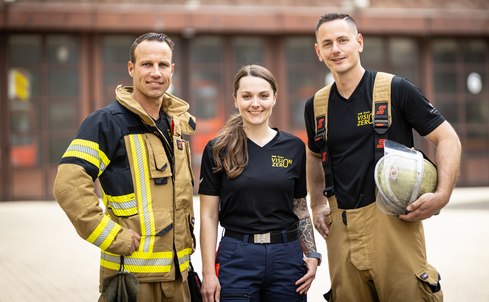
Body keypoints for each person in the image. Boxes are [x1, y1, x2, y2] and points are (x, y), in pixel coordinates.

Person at [304, 13, 462, 302]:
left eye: (343, 40)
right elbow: (313, 157)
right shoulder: (315, 106)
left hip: (393, 224)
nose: (335, 49)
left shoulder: (395, 89)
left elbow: (448, 138)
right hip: (341, 230)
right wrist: (316, 202)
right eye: (327, 44)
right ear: (318, 51)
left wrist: (443, 194)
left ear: (359, 42)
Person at [53, 32, 197, 302]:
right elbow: (69, 185)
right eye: (146, 64)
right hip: (132, 281)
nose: (156, 72)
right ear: (131, 68)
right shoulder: (106, 122)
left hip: (179, 278)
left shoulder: (174, 125)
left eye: (163, 65)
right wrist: (111, 235)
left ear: (172, 70)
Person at [199, 64, 320, 302]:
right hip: (237, 256)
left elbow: (299, 206)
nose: (256, 103)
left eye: (263, 96)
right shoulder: (217, 149)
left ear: (274, 98)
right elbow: (209, 215)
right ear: (236, 100)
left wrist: (313, 253)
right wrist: (207, 274)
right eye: (247, 96)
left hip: (287, 256)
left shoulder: (294, 147)